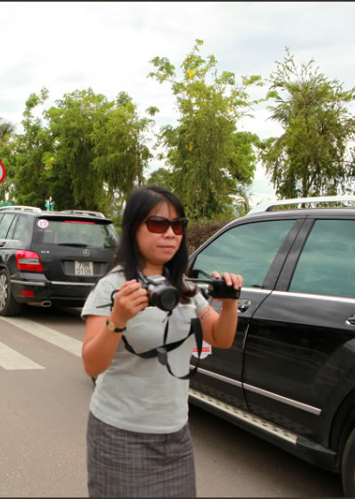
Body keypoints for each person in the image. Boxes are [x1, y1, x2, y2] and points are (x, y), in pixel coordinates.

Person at [81, 185, 243, 498]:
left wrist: (231, 302)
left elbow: (220, 338)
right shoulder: (112, 287)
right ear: (133, 229)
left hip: (175, 433)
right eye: (157, 224)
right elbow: (92, 363)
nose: (170, 234)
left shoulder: (183, 287)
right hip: (119, 434)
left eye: (178, 226)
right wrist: (118, 319)